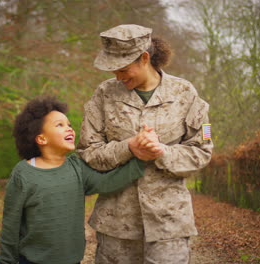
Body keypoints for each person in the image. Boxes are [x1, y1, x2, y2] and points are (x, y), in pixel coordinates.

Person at [77, 24, 214, 264]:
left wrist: (162, 152)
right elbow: (88, 151)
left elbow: (202, 150)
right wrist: (128, 147)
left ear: (144, 58)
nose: (117, 76)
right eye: (113, 70)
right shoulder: (104, 94)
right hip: (116, 224)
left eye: (123, 69)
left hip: (169, 223)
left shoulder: (185, 93)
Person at [0, 95, 158, 264]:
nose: (69, 129)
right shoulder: (23, 174)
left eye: (69, 125)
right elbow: (11, 224)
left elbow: (106, 182)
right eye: (60, 125)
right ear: (41, 138)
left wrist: (140, 159)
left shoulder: (76, 167)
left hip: (71, 260)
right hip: (31, 260)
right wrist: (6, 260)